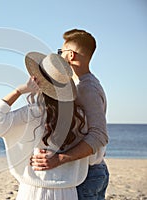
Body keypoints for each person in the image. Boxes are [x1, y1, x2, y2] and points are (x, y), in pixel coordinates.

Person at [0, 53, 105, 200]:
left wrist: (19, 91)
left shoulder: (33, 113)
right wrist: (63, 159)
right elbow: (95, 154)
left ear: (39, 82)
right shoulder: (80, 117)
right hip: (68, 193)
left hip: (33, 192)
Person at [30, 29, 109, 200]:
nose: (59, 57)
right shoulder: (79, 84)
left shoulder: (88, 88)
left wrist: (59, 159)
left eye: (61, 52)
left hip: (89, 174)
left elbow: (99, 136)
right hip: (87, 172)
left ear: (71, 55)